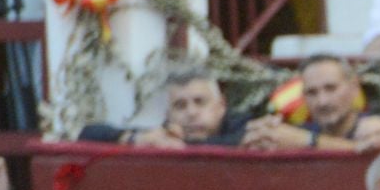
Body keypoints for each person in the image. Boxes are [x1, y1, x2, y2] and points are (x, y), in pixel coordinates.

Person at [75, 64, 250, 147]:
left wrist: (182, 147)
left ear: (221, 106)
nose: (191, 112)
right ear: (168, 115)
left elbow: (240, 141)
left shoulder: (245, 128)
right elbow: (88, 134)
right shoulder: (162, 137)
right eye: (180, 106)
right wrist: (134, 139)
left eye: (200, 102)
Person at [243, 56, 372, 151]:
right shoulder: (298, 132)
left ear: (354, 87)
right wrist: (262, 137)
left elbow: (369, 154)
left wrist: (308, 141)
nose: (322, 101)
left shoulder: (376, 127)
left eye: (331, 88)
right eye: (312, 92)